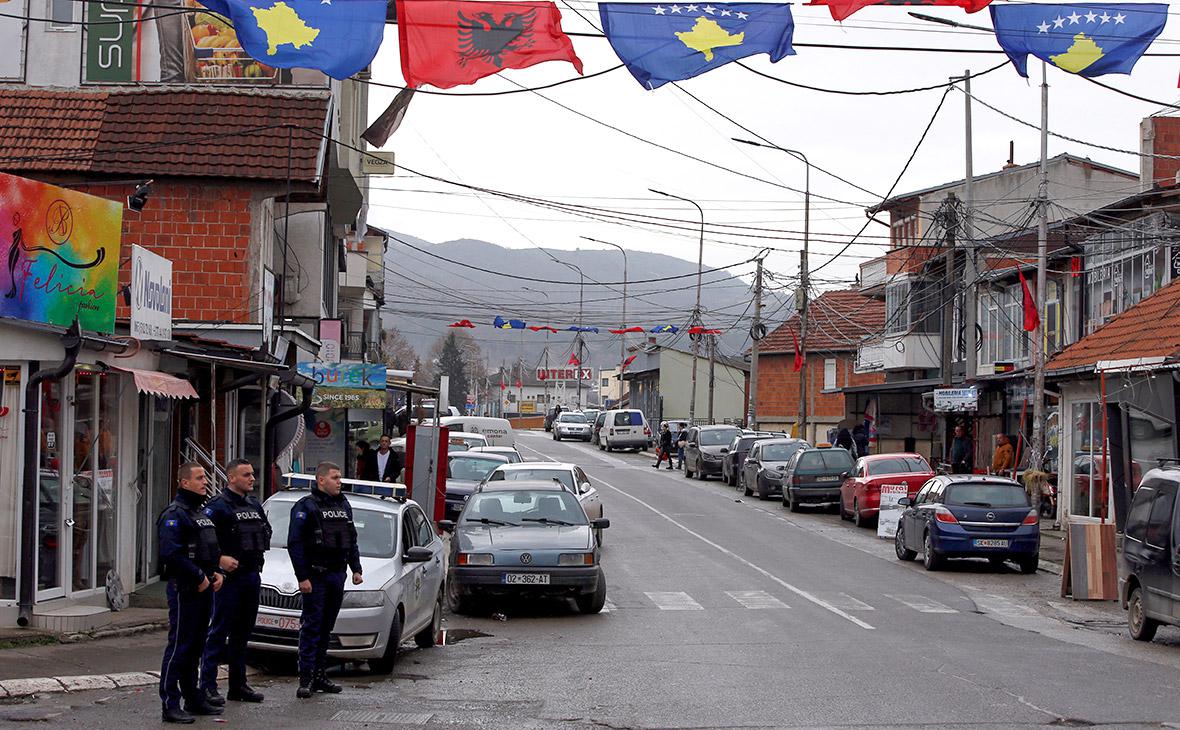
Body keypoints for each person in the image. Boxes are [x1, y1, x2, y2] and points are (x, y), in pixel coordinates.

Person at [287, 462, 364, 699]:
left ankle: (320, 675)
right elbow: (295, 544)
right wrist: (302, 577)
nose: (339, 481)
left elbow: (351, 539)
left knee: (326, 627)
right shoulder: (306, 507)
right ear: (321, 480)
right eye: (335, 477)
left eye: (340, 477)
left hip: (336, 574)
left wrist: (356, 568)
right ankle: (306, 679)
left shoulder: (343, 505)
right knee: (311, 627)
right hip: (316, 575)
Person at [199, 459, 271, 706]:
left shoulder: (254, 504)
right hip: (228, 580)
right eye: (246, 474)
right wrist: (219, 560)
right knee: (218, 633)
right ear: (231, 478)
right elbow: (202, 541)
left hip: (251, 575)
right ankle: (207, 687)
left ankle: (238, 686)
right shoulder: (217, 507)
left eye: (252, 474)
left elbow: (264, 533)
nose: (252, 478)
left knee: (242, 634)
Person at [158, 463, 223, 724]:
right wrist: (198, 577)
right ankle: (170, 703)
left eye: (204, 478)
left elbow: (209, 548)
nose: (204, 482)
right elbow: (171, 555)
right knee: (179, 647)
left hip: (204, 588)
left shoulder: (199, 513)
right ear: (184, 483)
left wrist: (217, 572)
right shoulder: (175, 514)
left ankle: (193, 698)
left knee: (196, 646)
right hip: (185, 589)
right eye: (198, 478)